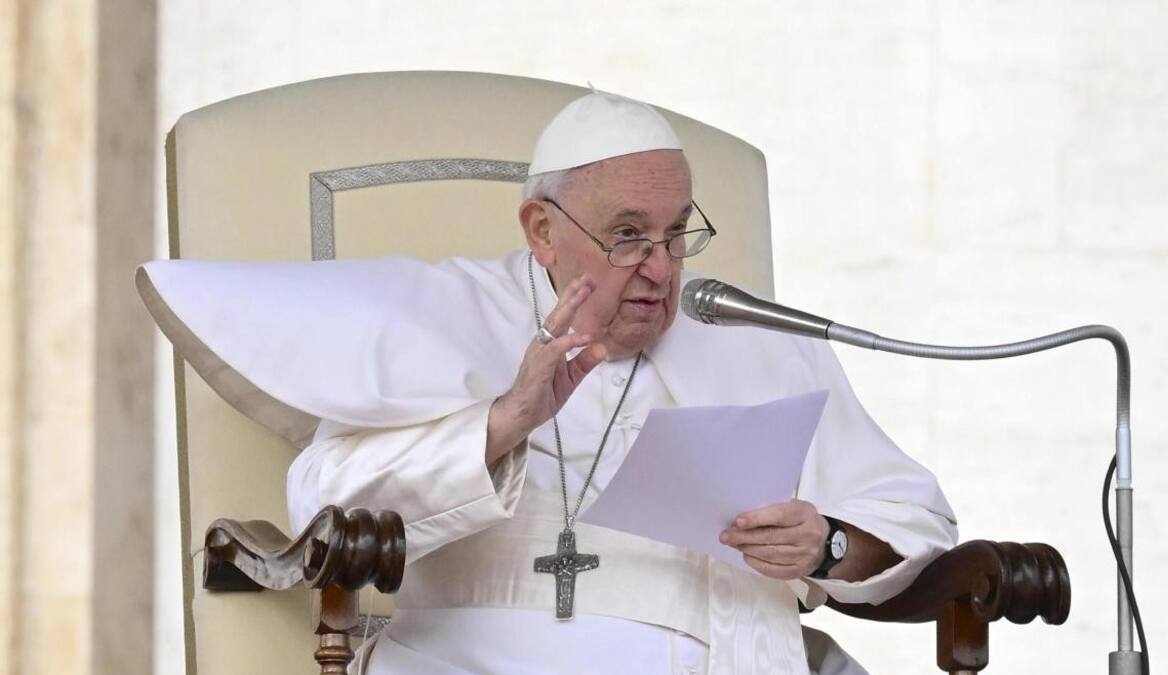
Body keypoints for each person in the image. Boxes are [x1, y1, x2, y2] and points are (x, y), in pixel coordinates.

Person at [140, 89, 957, 674]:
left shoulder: (758, 338)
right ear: (542, 231)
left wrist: (830, 543)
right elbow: (323, 498)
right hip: (481, 654)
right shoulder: (445, 316)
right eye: (628, 236)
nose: (661, 270)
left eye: (678, 235)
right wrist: (503, 420)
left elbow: (912, 516)